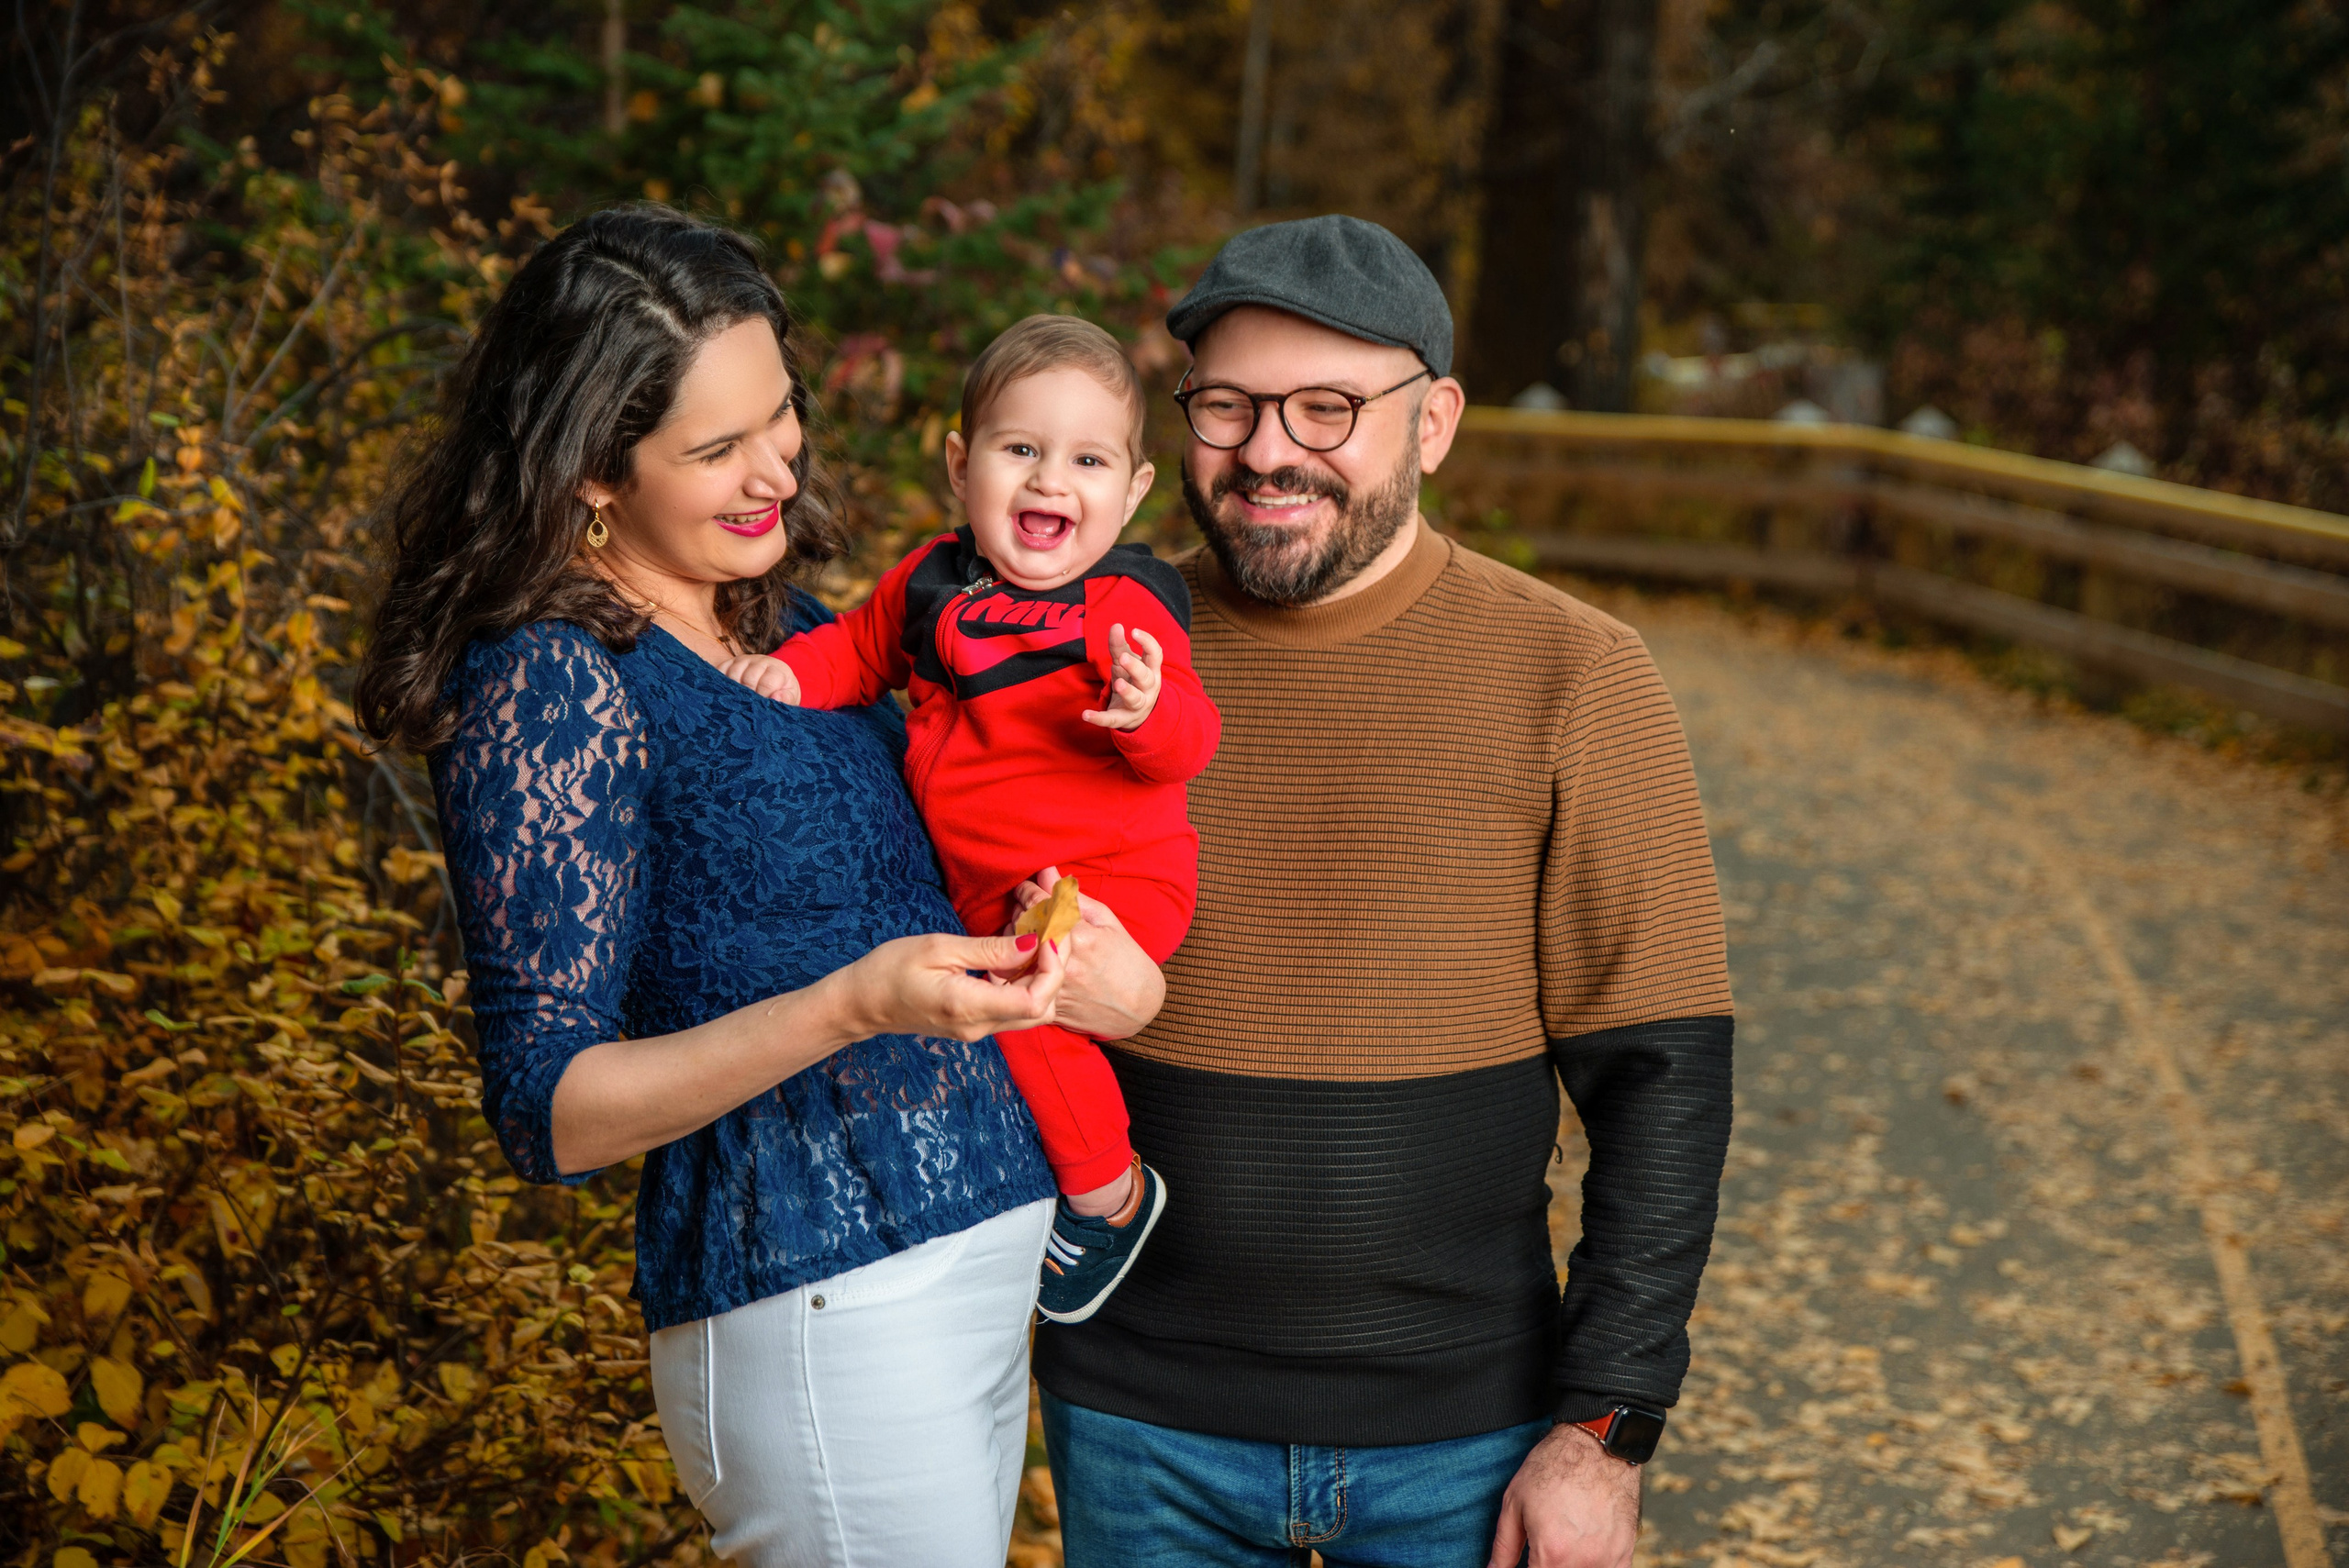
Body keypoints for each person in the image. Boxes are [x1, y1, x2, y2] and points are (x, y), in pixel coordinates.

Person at [353, 206, 1166, 1568]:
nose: (775, 471)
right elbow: (549, 1109)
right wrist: (850, 1005)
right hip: (819, 1308)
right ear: (591, 469)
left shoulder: (787, 622)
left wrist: (1109, 981)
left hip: (972, 1282)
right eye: (715, 448)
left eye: (779, 414)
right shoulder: (550, 677)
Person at [1031, 214, 1737, 1568]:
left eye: (1328, 407)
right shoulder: (1089, 652)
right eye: (1228, 406)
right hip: (1137, 1422)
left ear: (1435, 423)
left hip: (1466, 1439)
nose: (1268, 451)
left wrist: (1605, 1428)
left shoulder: (1574, 676)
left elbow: (1662, 1080)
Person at [721, 315, 1220, 1323]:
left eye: (1087, 461)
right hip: (991, 887)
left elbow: (1190, 742)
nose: (1050, 481)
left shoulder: (1123, 604)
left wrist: (1147, 709)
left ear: (1130, 493)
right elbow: (856, 649)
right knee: (992, 1017)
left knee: (1026, 1024)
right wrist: (792, 674)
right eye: (1020, 448)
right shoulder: (931, 582)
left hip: (1108, 878)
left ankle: (1110, 1199)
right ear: (962, 465)